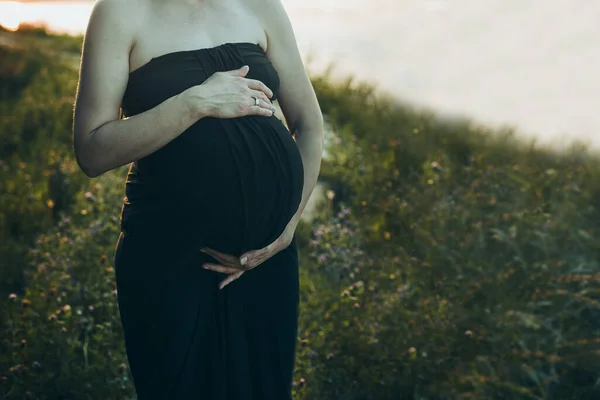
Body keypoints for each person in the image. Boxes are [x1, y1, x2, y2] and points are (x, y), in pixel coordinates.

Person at [72, 0, 324, 397]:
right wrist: (194, 103)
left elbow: (310, 125)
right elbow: (91, 149)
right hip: (171, 264)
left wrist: (287, 227)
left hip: (266, 265)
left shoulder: (261, 7)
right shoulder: (119, 13)